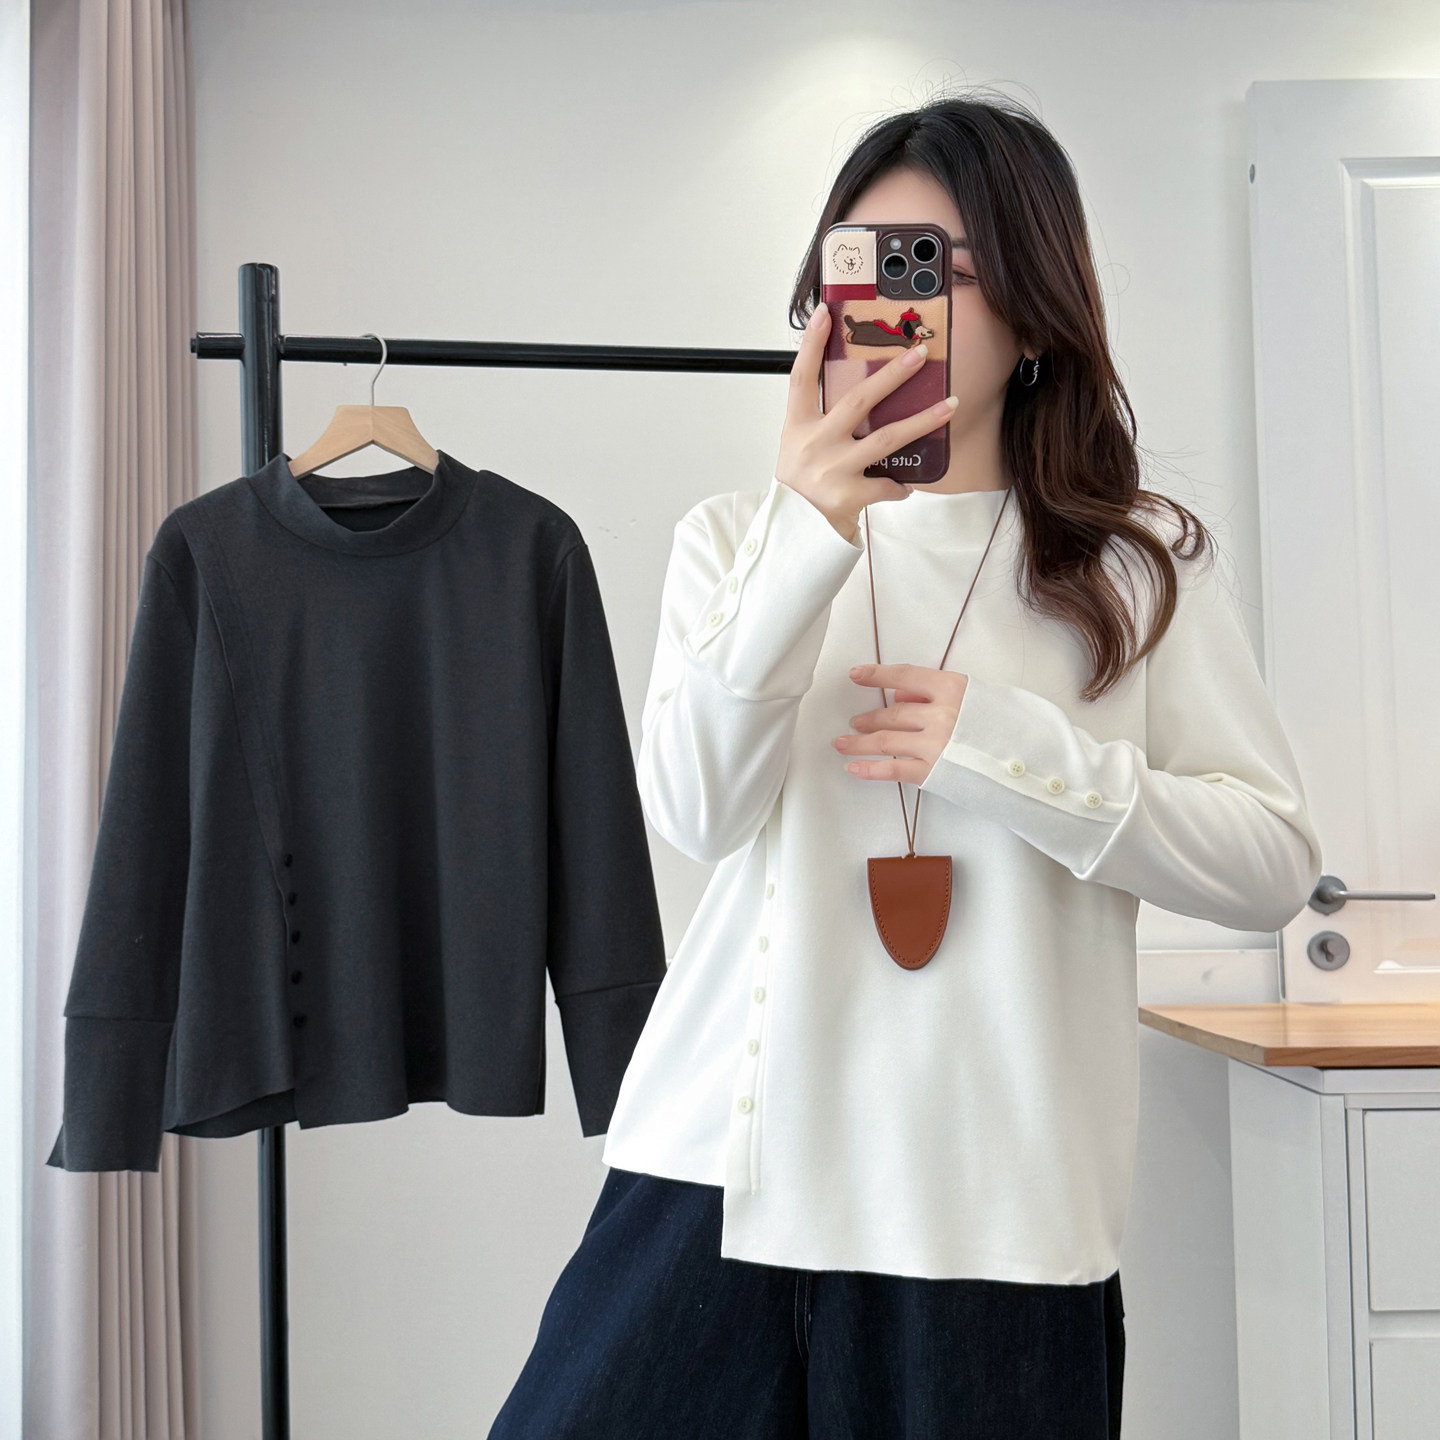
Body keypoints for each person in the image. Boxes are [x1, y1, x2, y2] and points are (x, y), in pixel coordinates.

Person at [488, 91, 1322, 1440]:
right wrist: (806, 535)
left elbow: (1271, 865)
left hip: (990, 1218)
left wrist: (1004, 749)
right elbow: (698, 810)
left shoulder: (1132, 569)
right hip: (719, 1177)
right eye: (862, 263)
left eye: (943, 268)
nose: (897, 306)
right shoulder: (736, 540)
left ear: (1037, 314)